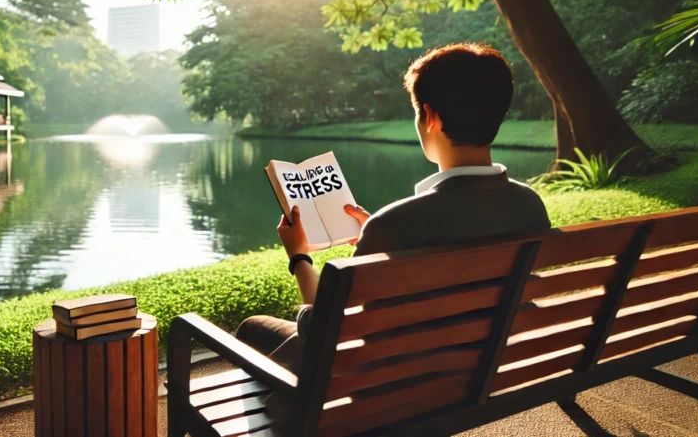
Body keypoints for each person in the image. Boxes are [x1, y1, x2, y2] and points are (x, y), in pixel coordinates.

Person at [235, 42, 551, 374]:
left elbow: (323, 332)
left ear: (430, 117)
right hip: (484, 372)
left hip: (391, 386)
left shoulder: (396, 224)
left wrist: (299, 257)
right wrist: (378, 243)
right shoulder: (529, 205)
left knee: (251, 328)